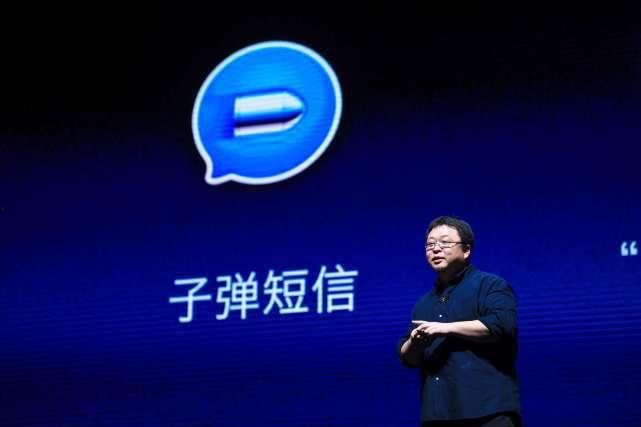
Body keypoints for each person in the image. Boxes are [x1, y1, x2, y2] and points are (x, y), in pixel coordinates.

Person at [398, 216, 521, 426]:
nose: (436, 249)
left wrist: (445, 329)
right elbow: (408, 358)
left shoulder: (491, 285)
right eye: (430, 244)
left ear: (466, 250)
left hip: (488, 411)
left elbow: (501, 325)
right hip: (438, 415)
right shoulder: (423, 303)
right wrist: (414, 342)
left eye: (445, 242)